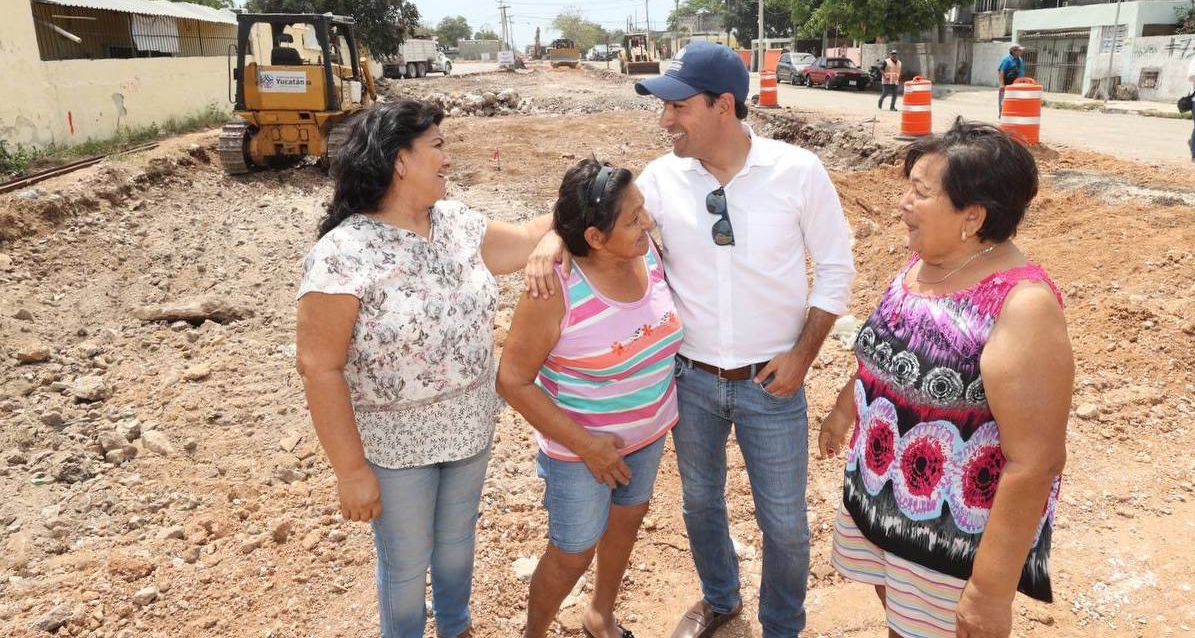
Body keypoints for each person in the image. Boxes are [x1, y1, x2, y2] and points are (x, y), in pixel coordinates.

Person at [525, 42, 854, 636]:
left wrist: (802, 357)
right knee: (700, 503)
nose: (665, 119)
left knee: (784, 522)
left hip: (773, 383)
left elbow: (835, 269)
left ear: (723, 105)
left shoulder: (797, 172)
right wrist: (554, 236)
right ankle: (721, 599)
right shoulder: (660, 178)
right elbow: (597, 217)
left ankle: (782, 626)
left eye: (678, 106)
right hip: (689, 381)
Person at [294, 99, 562, 638]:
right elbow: (319, 366)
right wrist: (351, 472)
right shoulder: (342, 254)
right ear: (400, 160)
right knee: (406, 565)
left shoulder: (457, 223)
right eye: (437, 146)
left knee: (458, 545)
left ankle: (456, 627)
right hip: (396, 449)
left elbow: (527, 239)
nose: (448, 158)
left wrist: (558, 233)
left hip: (469, 430)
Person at [819, 118, 1074, 638]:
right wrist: (844, 410)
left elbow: (1035, 461)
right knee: (901, 621)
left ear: (972, 216)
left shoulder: (1022, 307)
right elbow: (884, 354)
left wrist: (989, 591)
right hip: (886, 502)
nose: (903, 204)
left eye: (920, 192)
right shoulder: (925, 264)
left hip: (948, 538)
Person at [497, 158, 683, 638]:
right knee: (573, 551)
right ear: (596, 238)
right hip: (580, 452)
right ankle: (533, 634)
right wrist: (587, 446)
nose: (648, 223)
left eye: (643, 210)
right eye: (633, 219)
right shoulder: (554, 289)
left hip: (648, 435)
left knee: (626, 523)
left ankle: (600, 616)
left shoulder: (647, 252)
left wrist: (554, 234)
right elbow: (512, 380)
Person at [996, 44, 1025, 118]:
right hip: (1007, 83)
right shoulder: (1006, 59)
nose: (1021, 52)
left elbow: (1021, 72)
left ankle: (1012, 114)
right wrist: (1002, 84)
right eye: (1019, 50)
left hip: (1017, 84)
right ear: (1014, 51)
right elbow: (1001, 71)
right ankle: (1002, 114)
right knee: (1004, 99)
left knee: (1015, 100)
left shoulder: (1020, 60)